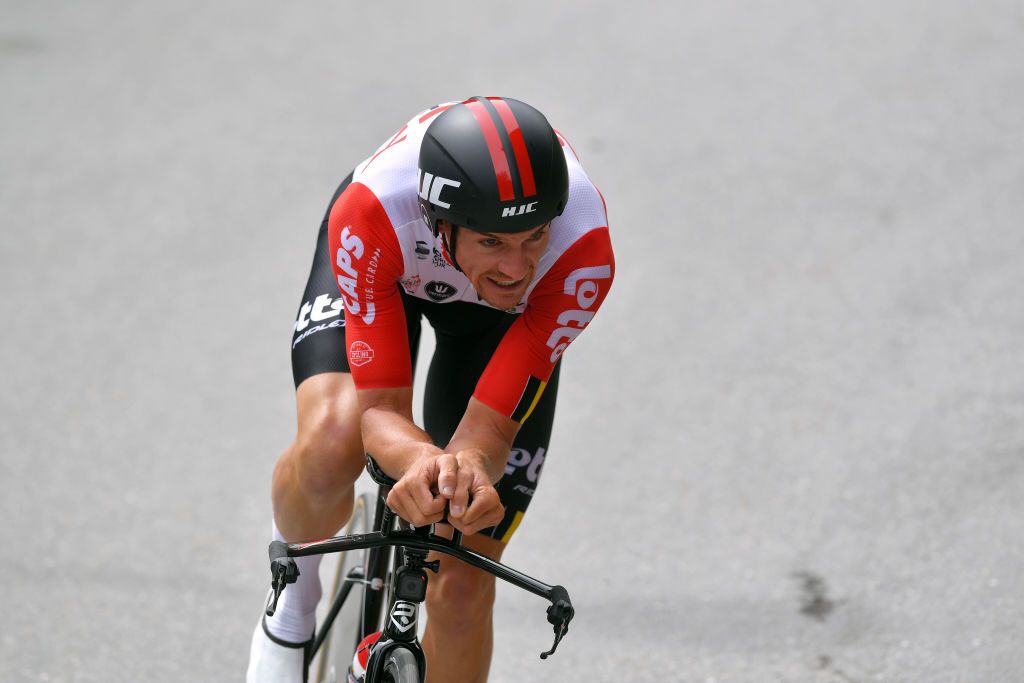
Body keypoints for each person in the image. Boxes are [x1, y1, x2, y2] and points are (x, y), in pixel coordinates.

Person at [247, 96, 614, 683]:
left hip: (503, 325)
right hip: (386, 271)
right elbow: (382, 413)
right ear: (441, 223)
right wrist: (418, 460)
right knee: (333, 440)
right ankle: (289, 614)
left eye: (532, 237)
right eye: (492, 241)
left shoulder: (580, 254)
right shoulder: (371, 212)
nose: (517, 268)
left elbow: (489, 431)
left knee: (463, 579)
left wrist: (459, 473)